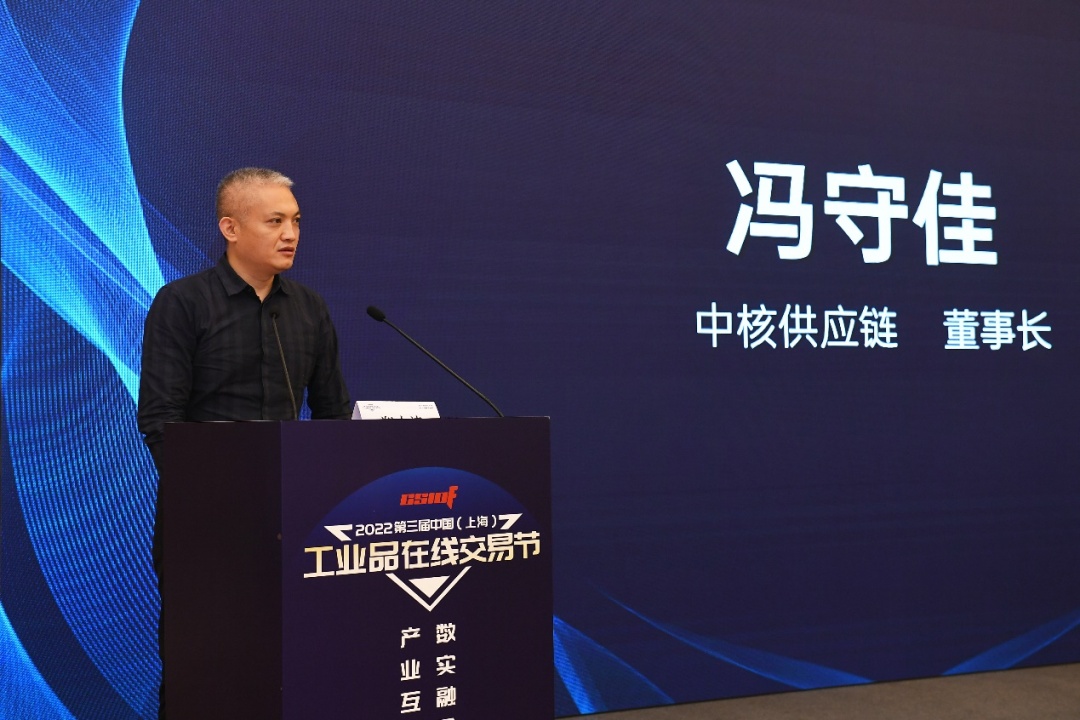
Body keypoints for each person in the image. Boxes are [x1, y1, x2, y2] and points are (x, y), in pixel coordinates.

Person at [137, 167, 351, 718]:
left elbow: (332, 414)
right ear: (230, 228)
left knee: (288, 665)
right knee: (202, 668)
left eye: (296, 221)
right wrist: (210, 491)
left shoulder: (309, 308)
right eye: (275, 221)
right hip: (206, 524)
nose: (291, 234)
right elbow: (160, 418)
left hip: (294, 522)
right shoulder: (183, 303)